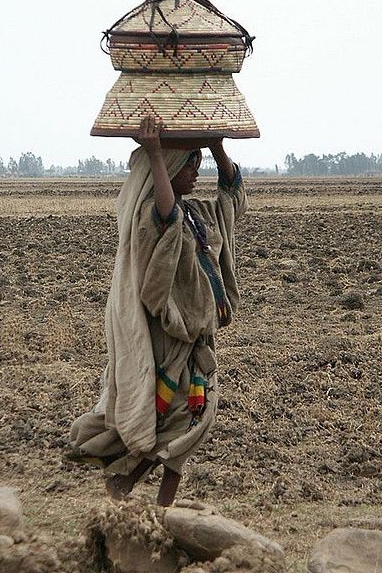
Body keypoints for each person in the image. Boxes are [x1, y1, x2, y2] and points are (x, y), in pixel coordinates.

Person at [68, 115, 247, 506]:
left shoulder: (202, 213)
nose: (196, 174)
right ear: (170, 169)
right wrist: (153, 152)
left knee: (189, 420)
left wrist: (217, 146)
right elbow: (167, 218)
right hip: (170, 340)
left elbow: (232, 194)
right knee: (178, 419)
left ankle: (133, 487)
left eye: (198, 165)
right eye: (190, 165)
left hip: (200, 340)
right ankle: (147, 497)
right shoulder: (155, 218)